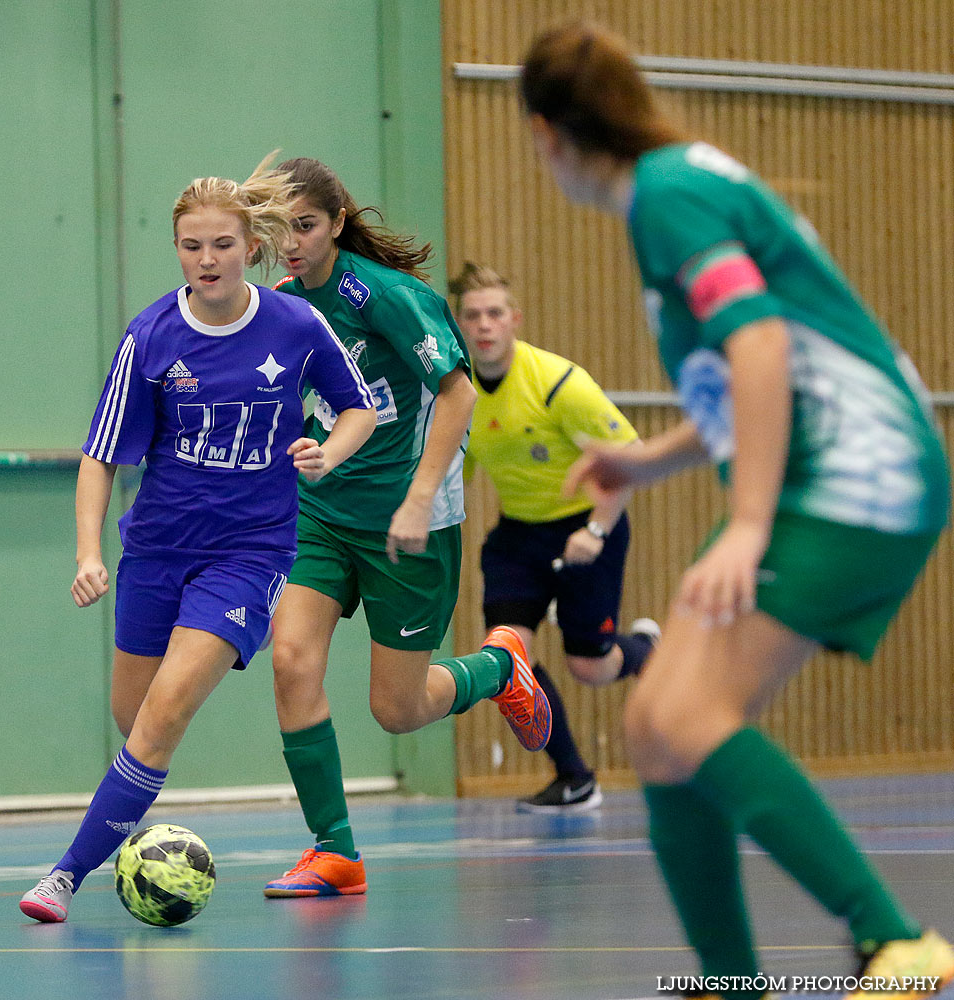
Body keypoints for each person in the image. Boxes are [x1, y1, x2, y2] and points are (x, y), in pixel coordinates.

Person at [520, 20, 953, 999]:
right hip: (827, 470)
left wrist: (748, 523)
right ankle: (733, 981)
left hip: (856, 479)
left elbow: (756, 340)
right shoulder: (681, 184)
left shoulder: (667, 196)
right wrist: (647, 459)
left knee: (688, 713)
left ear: (548, 135)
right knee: (659, 725)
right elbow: (754, 373)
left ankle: (896, 940)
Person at [18, 156, 379, 923]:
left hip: (250, 553)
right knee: (135, 714)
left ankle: (63, 876)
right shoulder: (149, 336)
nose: (206, 260)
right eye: (190, 246)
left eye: (220, 244)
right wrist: (89, 553)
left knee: (168, 708)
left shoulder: (295, 324)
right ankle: (130, 824)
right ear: (177, 249)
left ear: (251, 246)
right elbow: (100, 458)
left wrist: (328, 452)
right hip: (156, 551)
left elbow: (359, 410)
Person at [260, 157, 550, 900]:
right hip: (322, 514)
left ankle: (496, 667)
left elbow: (456, 395)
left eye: (307, 225)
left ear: (336, 222)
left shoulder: (385, 295)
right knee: (291, 660)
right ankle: (335, 851)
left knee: (397, 709)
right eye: (281, 228)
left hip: (405, 518)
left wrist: (420, 497)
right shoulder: (284, 305)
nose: (292, 242)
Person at [451, 260, 659, 814]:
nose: (484, 325)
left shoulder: (557, 382)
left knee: (589, 665)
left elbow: (633, 458)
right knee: (508, 652)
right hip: (519, 537)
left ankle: (644, 650)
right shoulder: (459, 394)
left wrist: (595, 529)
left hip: (587, 527)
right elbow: (453, 475)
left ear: (514, 318)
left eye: (494, 313)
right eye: (472, 316)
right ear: (460, 325)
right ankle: (574, 777)